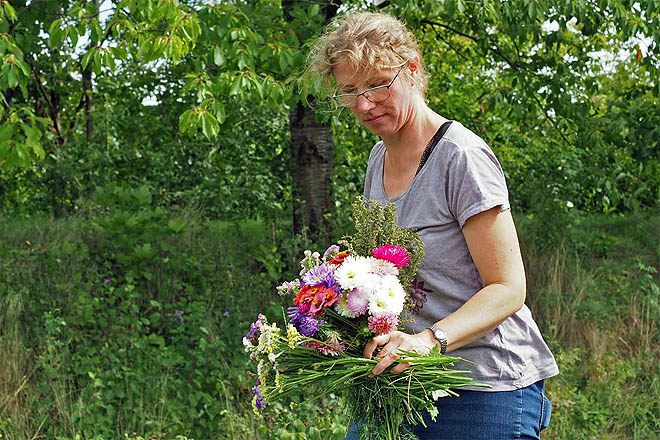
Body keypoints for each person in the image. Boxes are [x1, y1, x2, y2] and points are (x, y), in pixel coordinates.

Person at [307, 11, 559, 440]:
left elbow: (508, 288)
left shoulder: (460, 157)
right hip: (406, 381)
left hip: (484, 387)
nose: (364, 104)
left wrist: (428, 341)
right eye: (349, 92)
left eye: (377, 85)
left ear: (412, 70)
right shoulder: (377, 159)